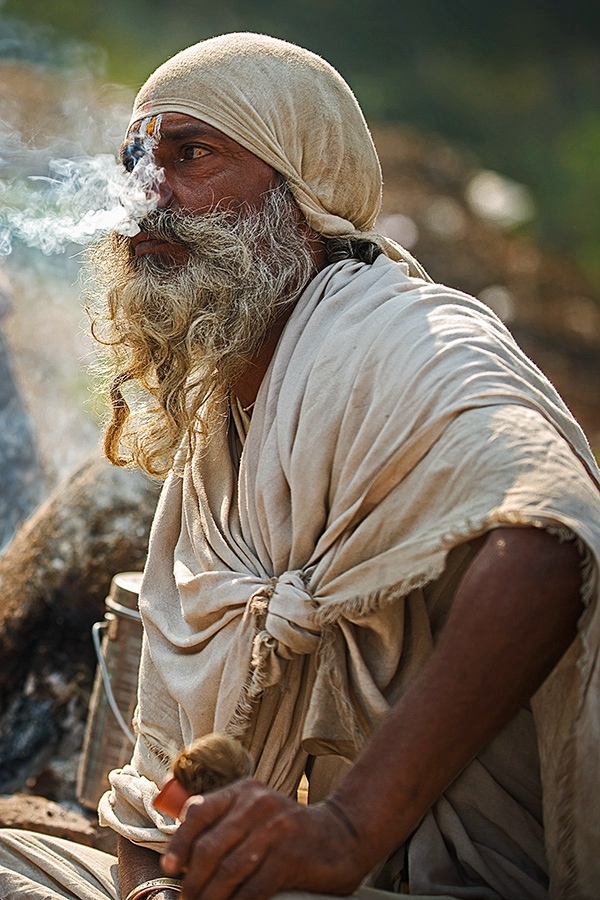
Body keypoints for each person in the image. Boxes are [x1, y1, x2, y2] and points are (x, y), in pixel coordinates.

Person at [1, 31, 600, 900]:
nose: (144, 192)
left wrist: (347, 829)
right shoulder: (221, 425)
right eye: (135, 157)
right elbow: (167, 796)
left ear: (302, 192)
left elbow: (551, 537)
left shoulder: (403, 336)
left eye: (190, 153)